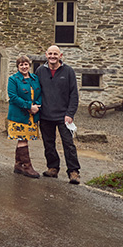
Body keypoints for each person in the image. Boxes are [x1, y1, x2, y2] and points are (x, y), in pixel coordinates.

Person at [35, 45, 81, 185]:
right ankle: (53, 168)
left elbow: (74, 95)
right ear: (46, 55)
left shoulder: (68, 71)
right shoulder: (40, 71)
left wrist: (70, 113)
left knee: (69, 144)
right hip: (45, 115)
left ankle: (73, 172)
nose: (52, 56)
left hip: (63, 116)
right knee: (48, 144)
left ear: (60, 55)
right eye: (50, 54)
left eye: (55, 54)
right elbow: (36, 91)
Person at [7, 55, 42, 178]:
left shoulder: (34, 78)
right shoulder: (13, 79)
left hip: (32, 115)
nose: (24, 67)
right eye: (21, 65)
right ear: (17, 67)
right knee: (23, 139)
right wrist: (29, 106)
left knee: (24, 139)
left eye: (26, 64)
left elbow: (40, 93)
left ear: (29, 65)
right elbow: (13, 97)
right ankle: (27, 167)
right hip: (19, 115)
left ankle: (18, 165)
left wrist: (37, 106)